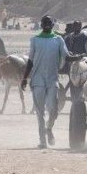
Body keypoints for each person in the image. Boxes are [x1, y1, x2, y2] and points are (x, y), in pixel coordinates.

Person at [21, 16, 68, 148]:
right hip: (37, 80)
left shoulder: (58, 40)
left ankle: (49, 128)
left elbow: (66, 55)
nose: (47, 24)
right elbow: (30, 60)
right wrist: (25, 78)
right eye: (45, 22)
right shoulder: (35, 40)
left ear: (53, 25)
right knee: (40, 112)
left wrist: (78, 57)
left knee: (53, 110)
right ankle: (42, 141)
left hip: (52, 79)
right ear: (41, 25)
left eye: (49, 22)